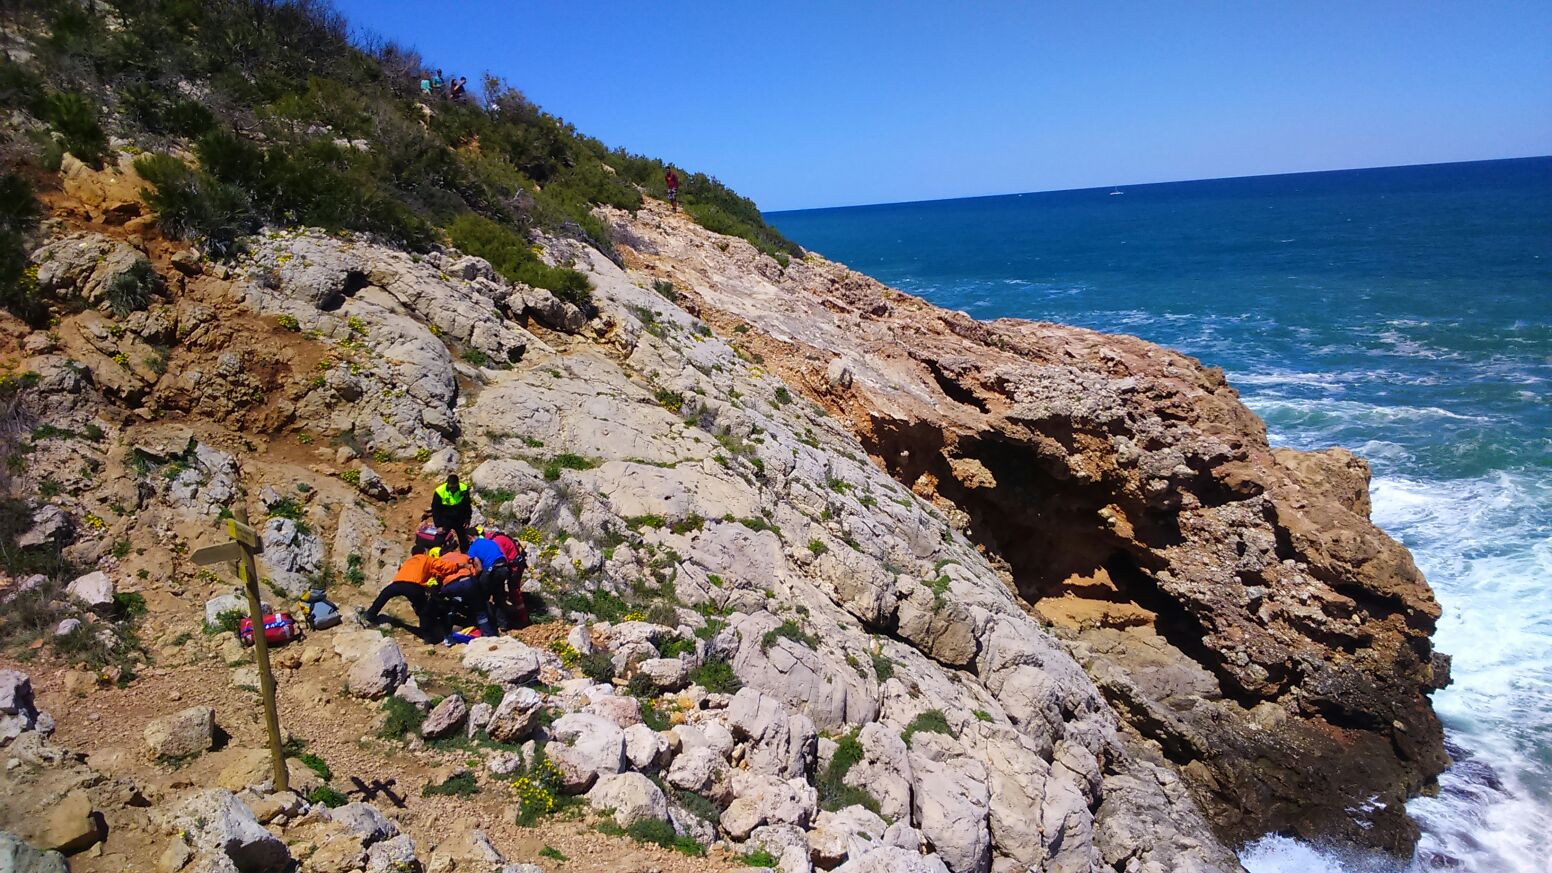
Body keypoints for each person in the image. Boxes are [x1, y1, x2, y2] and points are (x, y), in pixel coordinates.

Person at [361, 547, 440, 640]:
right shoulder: (427, 559)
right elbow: (441, 568)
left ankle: (370, 614)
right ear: (424, 552)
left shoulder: (409, 561)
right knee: (423, 609)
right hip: (414, 587)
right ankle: (427, 635)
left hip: (398, 583)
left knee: (384, 594)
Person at [429, 545, 491, 639]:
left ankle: (448, 633)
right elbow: (476, 566)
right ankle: (488, 635)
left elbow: (436, 578)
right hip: (469, 582)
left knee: (448, 605)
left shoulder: (439, 561)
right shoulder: (462, 555)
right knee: (480, 611)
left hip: (451, 586)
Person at [467, 529, 513, 630]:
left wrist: (474, 577)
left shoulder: (472, 548)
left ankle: (489, 624)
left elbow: (479, 567)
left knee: (482, 597)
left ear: (469, 537)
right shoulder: (491, 541)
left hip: (492, 570)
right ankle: (503, 624)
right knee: (499, 597)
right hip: (504, 569)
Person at [487, 528, 529, 628]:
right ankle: (516, 615)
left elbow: (502, 558)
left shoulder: (495, 541)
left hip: (514, 567)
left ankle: (523, 619)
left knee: (514, 592)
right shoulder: (497, 537)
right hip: (515, 565)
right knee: (510, 592)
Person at [430, 474, 472, 550]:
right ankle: (435, 555)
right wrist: (438, 525)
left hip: (459, 518)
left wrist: (467, 518)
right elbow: (435, 509)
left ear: (458, 484)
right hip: (445, 518)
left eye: (455, 486)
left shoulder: (464, 489)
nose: (453, 489)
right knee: (439, 540)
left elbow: (467, 505)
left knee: (464, 541)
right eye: (451, 487)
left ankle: (465, 557)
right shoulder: (440, 491)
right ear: (448, 484)